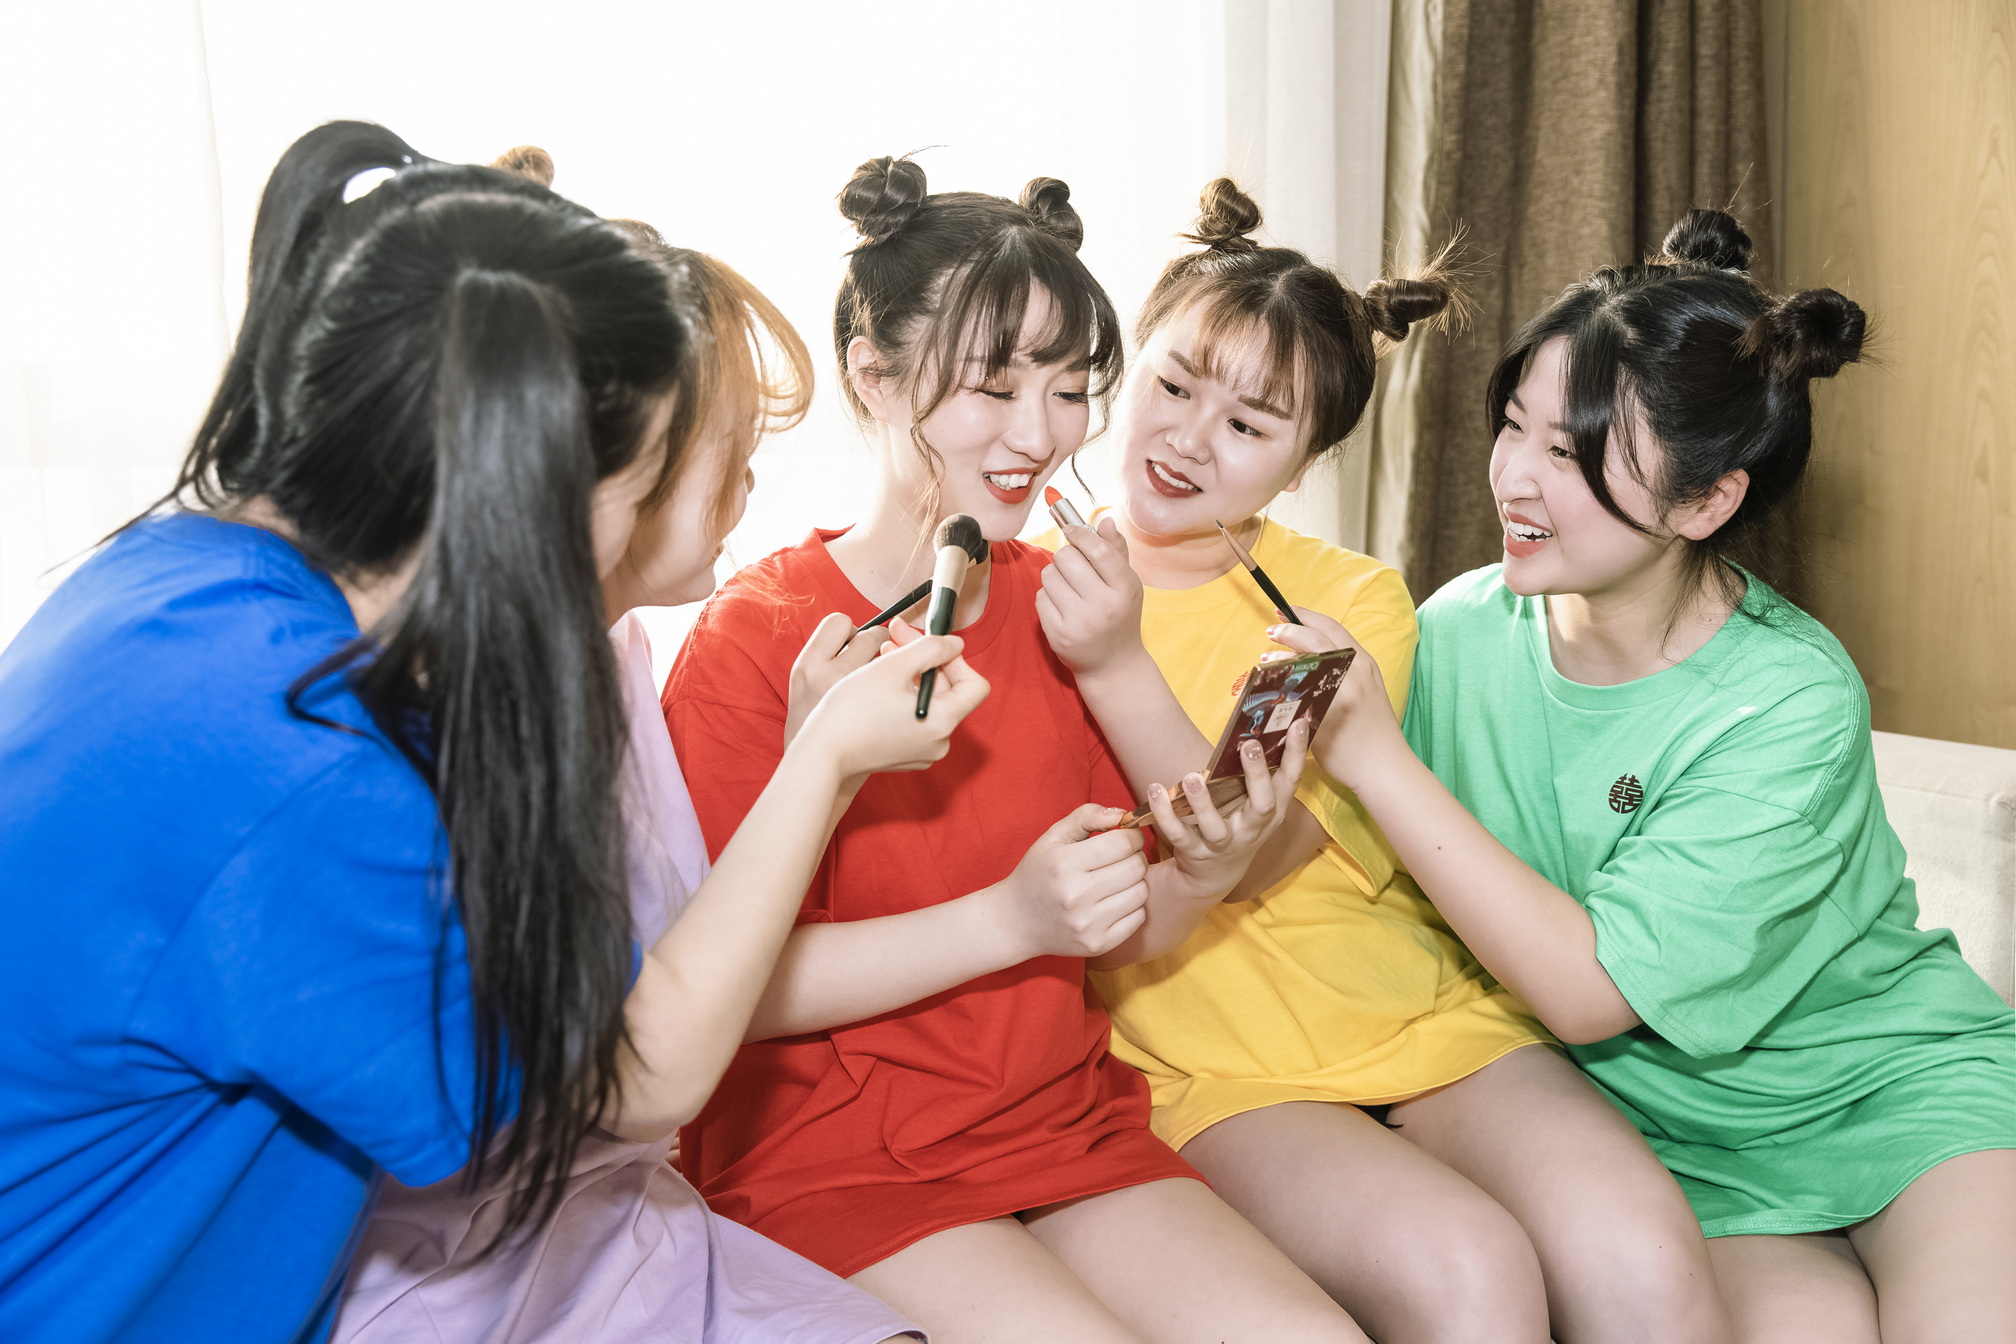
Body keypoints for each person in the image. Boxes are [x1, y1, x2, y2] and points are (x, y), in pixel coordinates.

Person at [0, 123, 975, 1344]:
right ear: (526, 484)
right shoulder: (302, 774)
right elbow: (643, 1072)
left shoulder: (181, 574)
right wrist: (824, 758)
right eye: (639, 489)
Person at [1274, 208, 2016, 1343]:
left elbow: (1591, 988)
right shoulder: (1459, 633)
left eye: (1573, 455)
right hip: (1667, 1146)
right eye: (1515, 426)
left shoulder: (1790, 700)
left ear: (1707, 500)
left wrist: (1376, 757)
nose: (1517, 479)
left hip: (1895, 1097)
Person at [665, 155, 1365, 1344]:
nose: (1041, 436)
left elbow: (1114, 923)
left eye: (1071, 388)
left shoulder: (1064, 604)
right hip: (830, 1153)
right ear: (873, 375)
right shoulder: (759, 635)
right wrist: (1013, 918)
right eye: (994, 387)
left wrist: (1201, 869)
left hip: (1060, 1124)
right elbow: (724, 993)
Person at [1036, 179, 1731, 1344]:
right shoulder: (1037, 591)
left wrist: (1114, 660)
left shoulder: (1350, 601)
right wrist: (1107, 650)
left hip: (1426, 1021)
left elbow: (1251, 847)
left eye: (1250, 426)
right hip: (1213, 1063)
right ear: (1129, 365)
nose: (1190, 439)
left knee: (1642, 1254)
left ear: (1303, 463)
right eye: (1174, 385)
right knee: (1469, 1271)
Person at [331, 159, 940, 1343]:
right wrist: (818, 766)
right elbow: (642, 1070)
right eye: (725, 448)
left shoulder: (613, 651)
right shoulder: (434, 710)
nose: (749, 482)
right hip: (456, 1271)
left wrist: (817, 759)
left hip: (621, 1226)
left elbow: (674, 950)